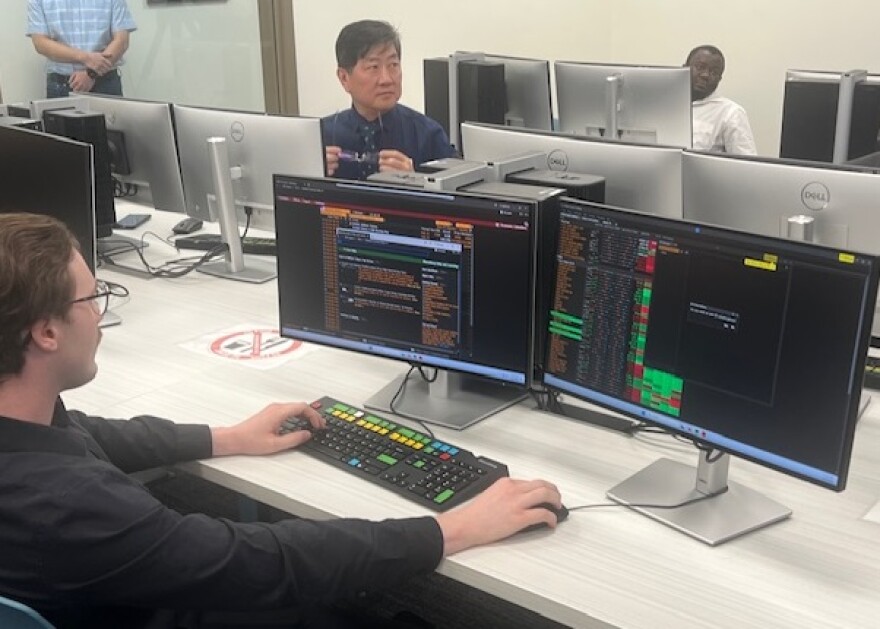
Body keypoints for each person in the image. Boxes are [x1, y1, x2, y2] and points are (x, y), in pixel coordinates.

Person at [0, 212, 564, 628]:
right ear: (46, 332)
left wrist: (228, 437)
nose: (100, 316)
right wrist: (455, 528)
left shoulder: (24, 427)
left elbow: (90, 432)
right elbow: (259, 563)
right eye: (92, 299)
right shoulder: (67, 505)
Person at [323, 20, 457, 180]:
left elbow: (459, 190)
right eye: (373, 67)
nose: (386, 79)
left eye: (393, 65)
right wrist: (310, 176)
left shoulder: (427, 134)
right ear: (344, 78)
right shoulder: (322, 137)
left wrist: (416, 180)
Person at [26, 0, 137, 99]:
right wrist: (85, 58)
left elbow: (121, 41)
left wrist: (91, 73)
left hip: (105, 83)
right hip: (60, 85)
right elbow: (40, 43)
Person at [685, 45, 757, 155]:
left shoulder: (731, 113)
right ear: (684, 68)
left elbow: (746, 161)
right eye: (700, 67)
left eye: (714, 72)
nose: (705, 75)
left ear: (719, 78)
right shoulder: (664, 105)